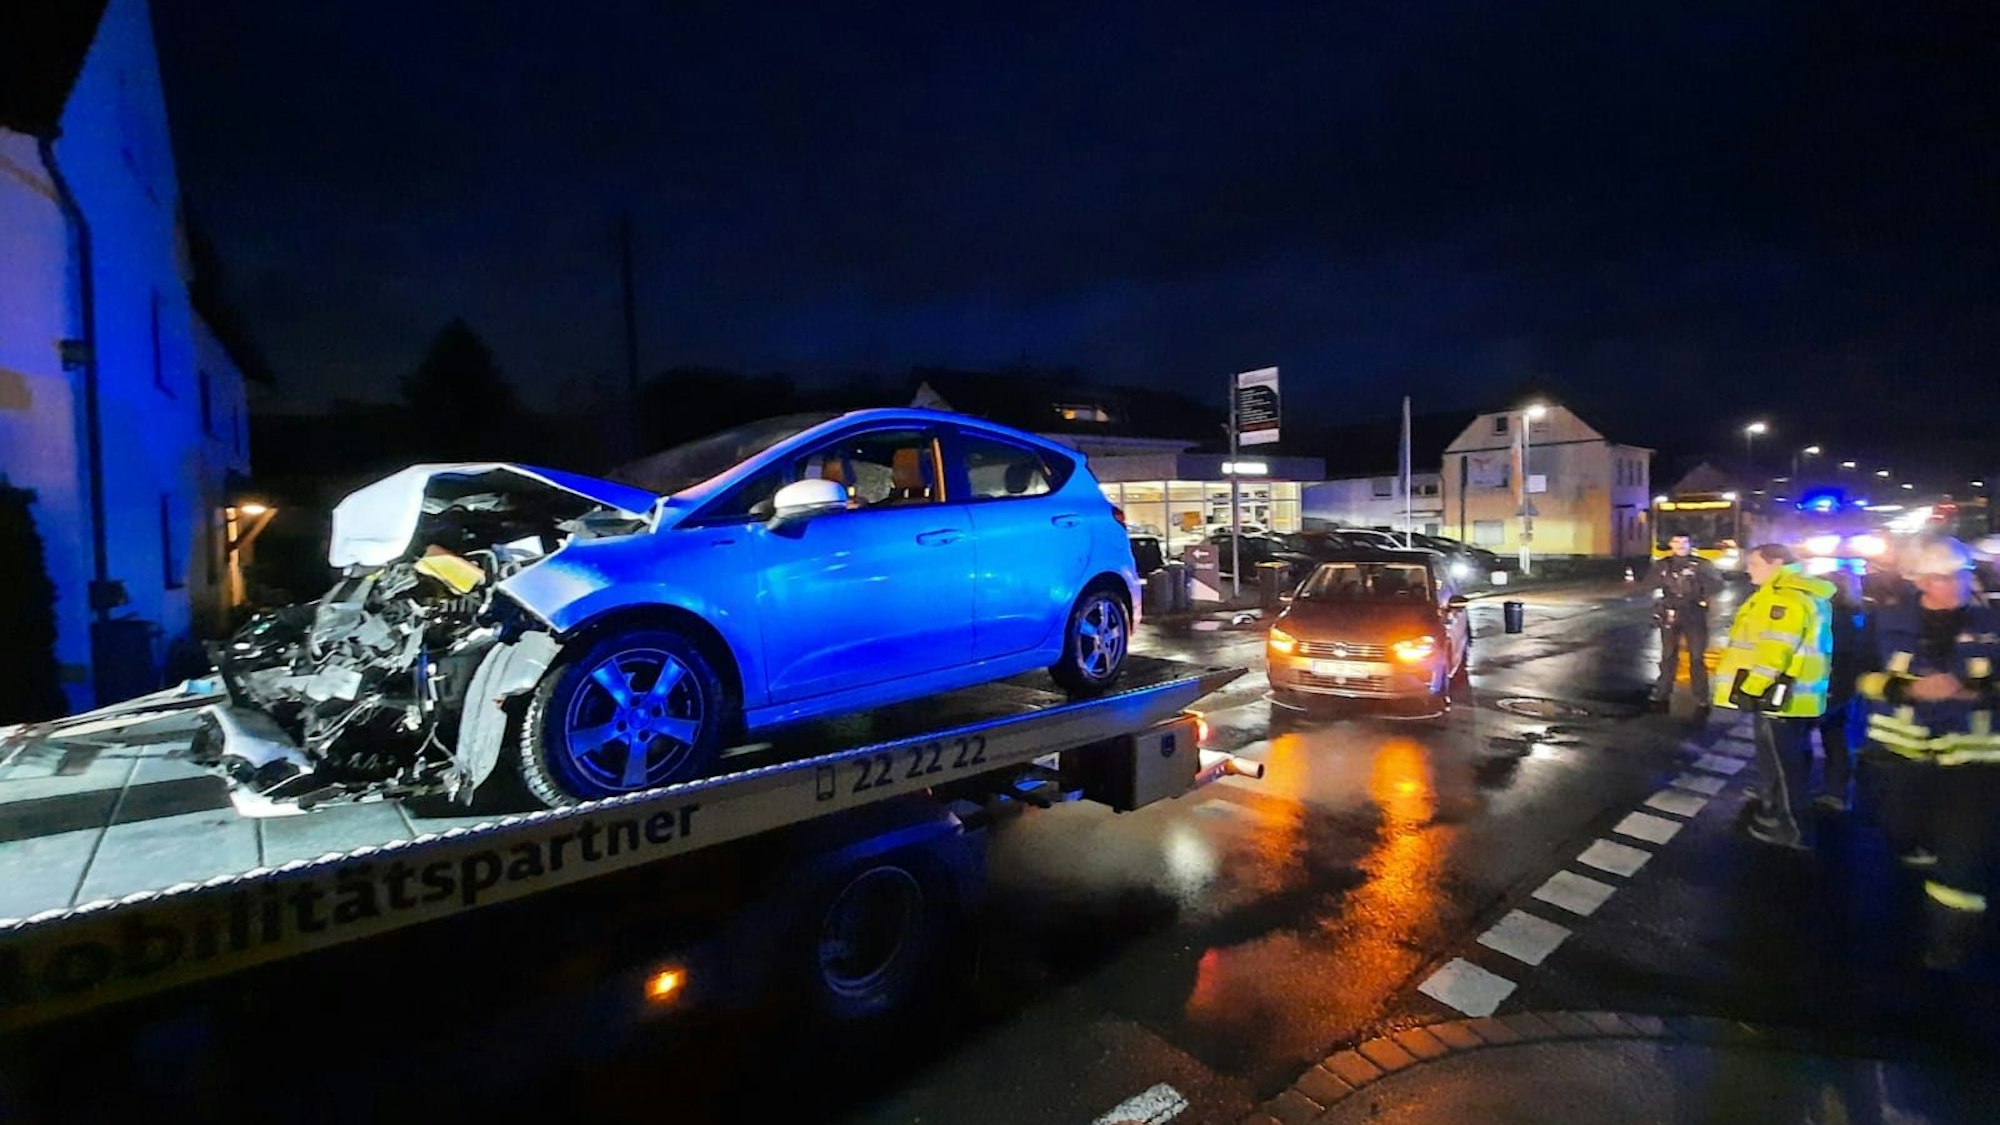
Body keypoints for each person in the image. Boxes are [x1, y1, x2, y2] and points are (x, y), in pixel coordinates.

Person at [1853, 535, 2000, 970]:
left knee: (1963, 854)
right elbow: (1860, 675)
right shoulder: (1887, 622)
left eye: (1957, 575)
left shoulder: (1994, 623)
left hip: (1975, 762)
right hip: (1902, 758)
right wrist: (1908, 689)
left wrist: (1977, 693)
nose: (1950, 584)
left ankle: (1950, 943)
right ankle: (1920, 860)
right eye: (1937, 577)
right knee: (1901, 829)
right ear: (1918, 580)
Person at [1712, 543, 1834, 849]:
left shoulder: (1784, 598)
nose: (1748, 569)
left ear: (1777, 563)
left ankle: (1794, 828)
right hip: (1794, 697)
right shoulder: (1799, 592)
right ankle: (1776, 810)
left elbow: (1775, 651)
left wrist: (1749, 689)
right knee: (1789, 761)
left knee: (1783, 765)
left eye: (1754, 563)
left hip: (1779, 697)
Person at [1644, 534, 1724, 713]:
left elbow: (1717, 586)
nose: (1680, 545)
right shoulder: (1662, 564)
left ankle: (1701, 696)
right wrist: (1660, 599)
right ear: (1670, 544)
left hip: (1694, 613)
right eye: (1676, 542)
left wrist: (1699, 580)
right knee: (1668, 655)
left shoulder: (1702, 564)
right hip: (1670, 613)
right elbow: (1648, 585)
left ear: (1690, 544)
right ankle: (1662, 692)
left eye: (1684, 542)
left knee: (1697, 656)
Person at [1813, 568, 1870, 811]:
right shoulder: (1858, 612)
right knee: (1837, 736)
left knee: (1834, 738)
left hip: (1836, 685)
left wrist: (1830, 687)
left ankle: (1836, 791)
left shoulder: (1835, 616)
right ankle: (1836, 790)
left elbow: (1836, 654)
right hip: (1849, 685)